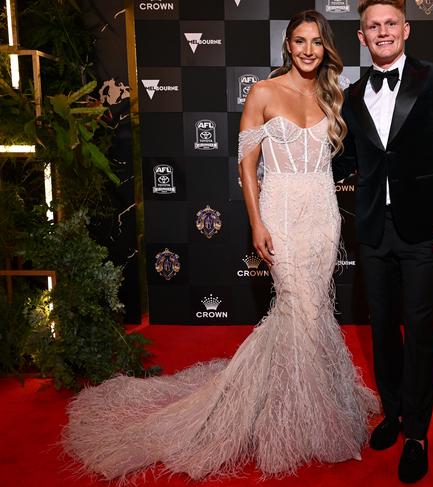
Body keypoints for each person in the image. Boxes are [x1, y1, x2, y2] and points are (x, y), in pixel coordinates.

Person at [62, 10, 377, 481]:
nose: (308, 49)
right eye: (299, 41)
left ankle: (311, 401)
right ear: (287, 46)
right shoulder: (264, 92)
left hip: (324, 212)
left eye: (316, 41)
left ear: (325, 46)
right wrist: (256, 223)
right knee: (300, 304)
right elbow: (247, 167)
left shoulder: (333, 95)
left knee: (311, 310)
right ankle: (313, 422)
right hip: (282, 211)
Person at [332, 0, 433, 483]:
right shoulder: (352, 94)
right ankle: (391, 413)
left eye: (391, 23)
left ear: (406, 30)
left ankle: (417, 432)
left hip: (424, 227)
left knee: (418, 329)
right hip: (372, 228)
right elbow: (347, 160)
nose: (383, 32)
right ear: (362, 37)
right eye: (374, 26)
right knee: (383, 327)